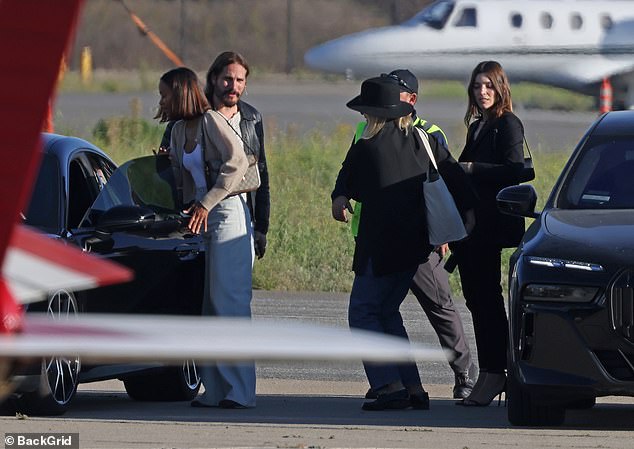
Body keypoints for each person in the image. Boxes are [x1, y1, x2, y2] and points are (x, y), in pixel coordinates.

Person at [353, 70, 477, 400]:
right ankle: (405, 384)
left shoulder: (428, 134)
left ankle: (463, 371)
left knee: (438, 305)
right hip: (380, 242)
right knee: (384, 312)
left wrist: (450, 230)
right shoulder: (365, 135)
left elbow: (445, 183)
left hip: (423, 242)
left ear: (411, 99)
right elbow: (354, 174)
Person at [332, 76, 448, 411]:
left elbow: (351, 178)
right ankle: (412, 386)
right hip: (413, 247)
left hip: (380, 247)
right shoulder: (421, 140)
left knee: (363, 312)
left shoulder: (370, 146)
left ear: (374, 114)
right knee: (386, 313)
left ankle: (388, 385)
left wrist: (340, 196)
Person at [157, 67, 256, 409]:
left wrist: (205, 203)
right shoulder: (177, 130)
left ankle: (240, 393)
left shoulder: (211, 121)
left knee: (229, 304)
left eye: (166, 95)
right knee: (210, 306)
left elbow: (238, 161)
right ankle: (215, 391)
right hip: (200, 221)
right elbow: (184, 181)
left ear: (181, 93)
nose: (162, 102)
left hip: (228, 215)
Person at [453, 61, 526, 406]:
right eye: (477, 86)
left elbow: (516, 171)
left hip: (491, 227)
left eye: (488, 86)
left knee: (488, 302)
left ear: (500, 89)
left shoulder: (507, 124)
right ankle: (492, 372)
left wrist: (472, 168)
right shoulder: (479, 127)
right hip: (471, 229)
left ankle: (498, 372)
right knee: (477, 301)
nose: (482, 92)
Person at [204, 51, 270, 259]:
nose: (234, 87)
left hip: (242, 216)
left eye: (240, 80)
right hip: (202, 215)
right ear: (214, 78)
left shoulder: (252, 118)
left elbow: (262, 174)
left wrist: (261, 228)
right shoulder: (197, 116)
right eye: (228, 79)